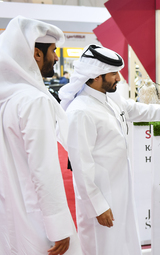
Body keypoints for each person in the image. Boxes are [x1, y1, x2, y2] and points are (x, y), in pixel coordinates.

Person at [58, 44, 160, 255]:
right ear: (95, 76)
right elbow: (80, 165)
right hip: (101, 194)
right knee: (103, 245)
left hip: (120, 187)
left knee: (124, 240)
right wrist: (98, 205)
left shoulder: (110, 99)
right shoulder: (81, 111)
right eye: (113, 73)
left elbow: (141, 111)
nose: (119, 78)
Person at [0, 16, 82, 255]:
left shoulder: (7, 99)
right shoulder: (33, 101)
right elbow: (43, 168)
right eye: (53, 51)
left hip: (11, 213)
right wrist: (59, 226)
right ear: (36, 54)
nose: (56, 58)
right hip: (37, 220)